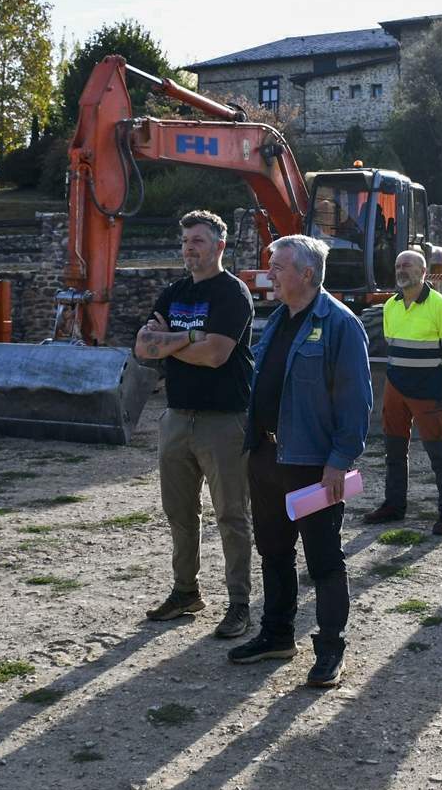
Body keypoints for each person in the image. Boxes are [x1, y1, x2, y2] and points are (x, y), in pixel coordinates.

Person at [228, 234, 372, 687]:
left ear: (306, 274)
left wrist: (340, 460)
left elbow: (355, 401)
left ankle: (330, 649)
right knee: (273, 551)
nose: (270, 273)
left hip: (312, 467)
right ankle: (276, 635)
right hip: (268, 458)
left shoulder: (340, 324)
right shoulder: (277, 320)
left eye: (279, 266)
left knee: (324, 559)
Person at [135, 211, 255, 640]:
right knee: (179, 513)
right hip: (176, 417)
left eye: (198, 240)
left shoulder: (233, 294)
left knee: (231, 515)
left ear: (219, 246)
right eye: (185, 240)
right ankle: (186, 591)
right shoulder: (173, 293)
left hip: (225, 420)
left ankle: (239, 603)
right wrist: (190, 338)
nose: (189, 247)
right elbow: (144, 346)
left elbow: (217, 355)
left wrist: (173, 341)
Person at [364, 250, 442, 535]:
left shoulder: (440, 306)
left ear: (423, 271)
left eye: (407, 265)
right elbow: (391, 345)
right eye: (397, 265)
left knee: (438, 452)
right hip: (395, 388)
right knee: (394, 450)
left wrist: (431, 374)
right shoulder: (390, 307)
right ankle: (394, 506)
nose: (401, 270)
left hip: (427, 391)